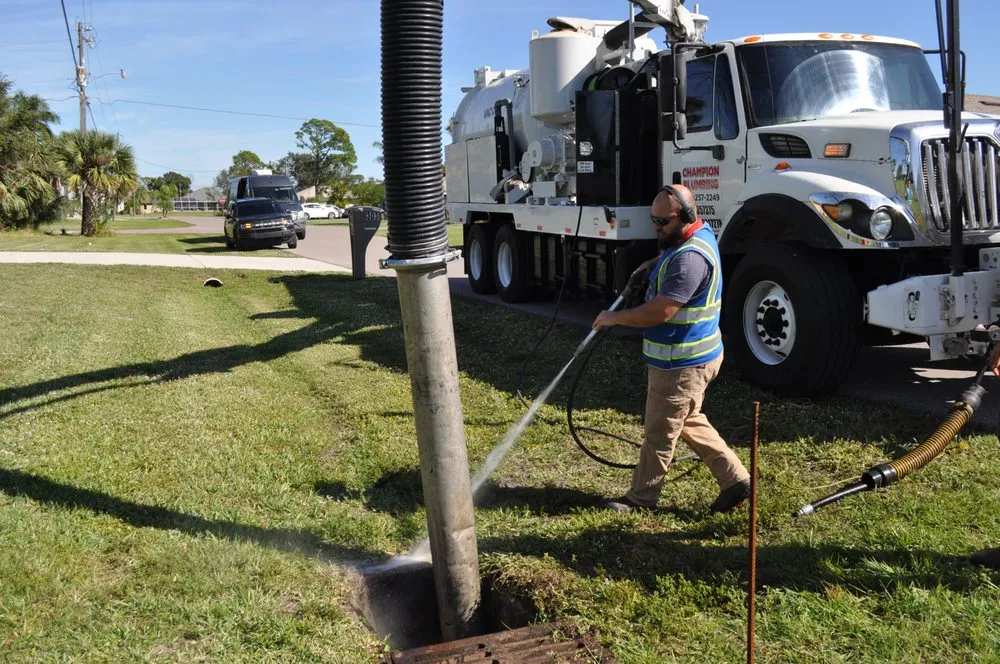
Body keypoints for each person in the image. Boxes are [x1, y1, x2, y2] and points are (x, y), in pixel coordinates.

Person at [592, 184, 751, 514]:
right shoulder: (697, 236)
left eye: (662, 222)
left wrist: (613, 318)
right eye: (654, 220)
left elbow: (659, 312)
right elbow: (673, 253)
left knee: (659, 434)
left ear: (686, 216)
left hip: (681, 363)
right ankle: (736, 480)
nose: (656, 227)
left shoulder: (689, 260)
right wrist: (653, 263)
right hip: (695, 356)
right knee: (688, 419)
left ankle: (640, 500)